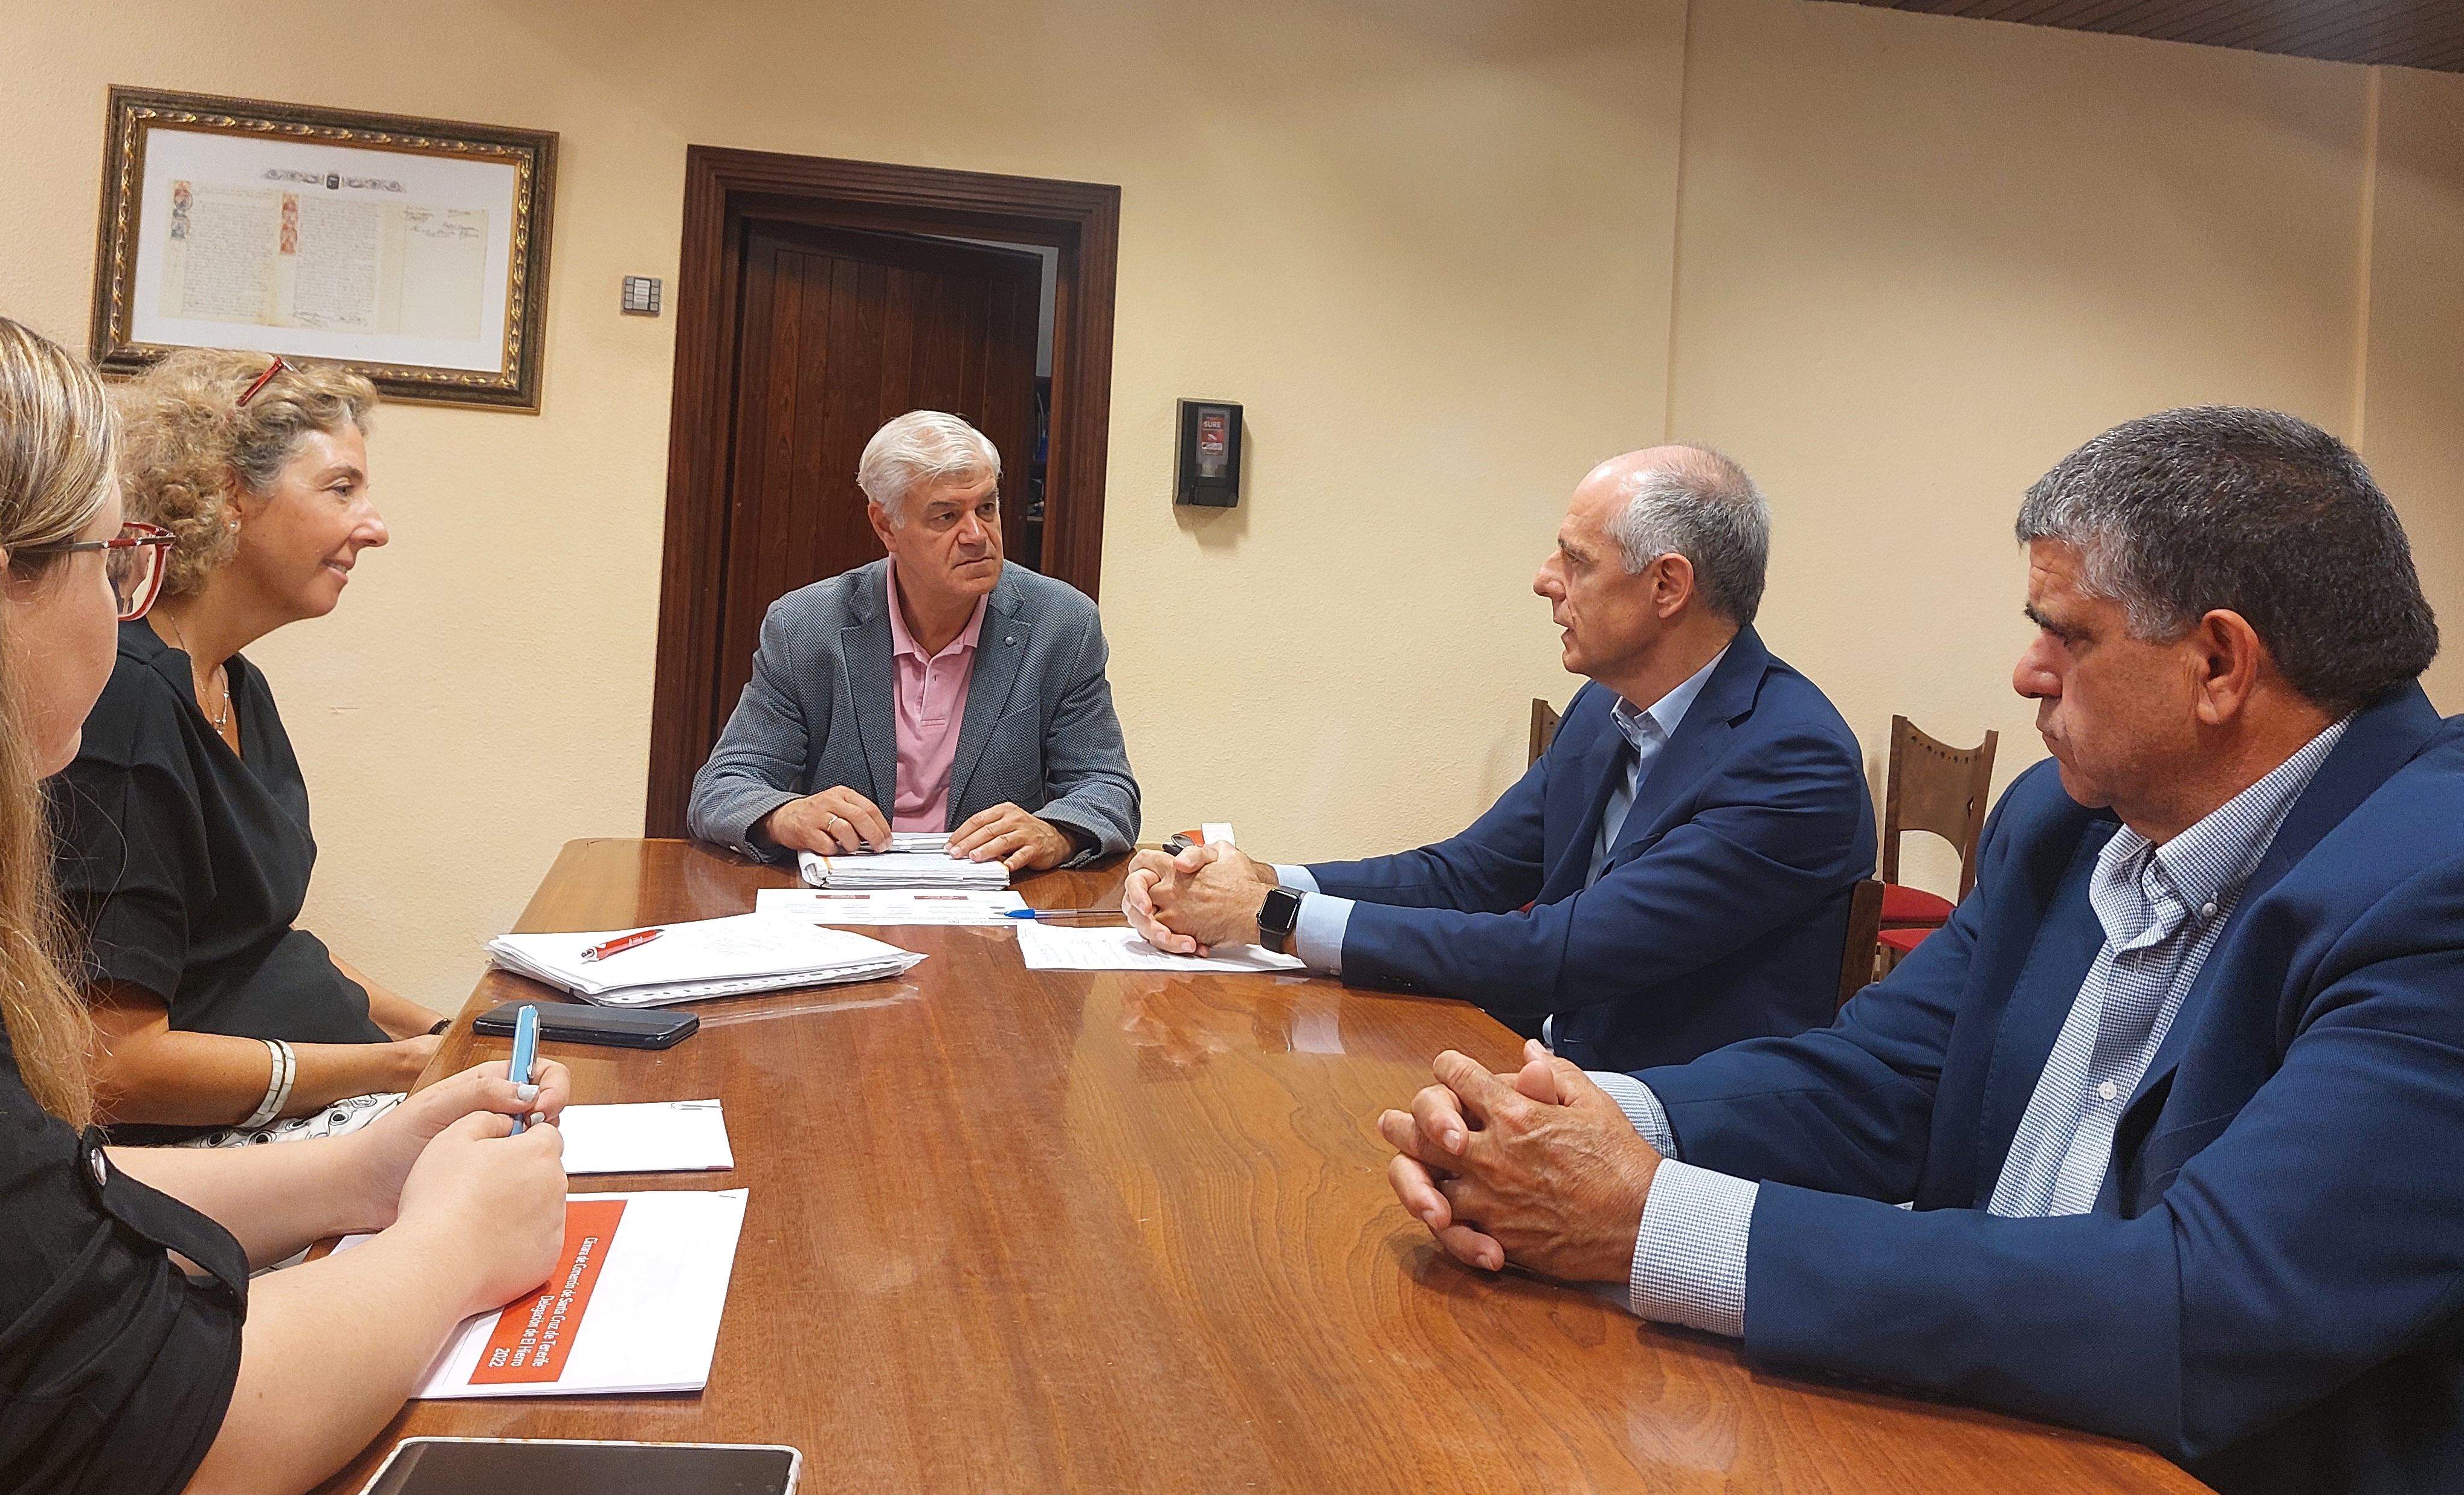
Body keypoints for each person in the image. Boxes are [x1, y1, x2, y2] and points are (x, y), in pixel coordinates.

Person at [1377, 408, 2464, 1495]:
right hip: (1996, 1450)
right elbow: (1875, 1079)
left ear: (2218, 662)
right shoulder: (2064, 823)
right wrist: (1583, 1121)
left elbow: (2211, 1305)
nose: (2025, 674)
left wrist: (1646, 1219)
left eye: (2065, 635)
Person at [0, 269, 571, 1495]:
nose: (127, 611)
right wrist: (451, 1247)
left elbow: (30, 1192)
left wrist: (362, 1171)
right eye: (113, 563)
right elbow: (128, 1456)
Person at [1126, 447, 1873, 1072]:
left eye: (1577, 561)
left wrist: (1269, 916)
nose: (1545, 579)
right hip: (1530, 1066)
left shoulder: (1792, 759)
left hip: (1666, 1127)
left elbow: (1562, 953)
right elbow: (1467, 875)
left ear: (1667, 586)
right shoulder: (1603, 710)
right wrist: (1260, 879)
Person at [49, 349, 436, 1140]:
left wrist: (443, 1031)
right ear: (228, 494)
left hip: (322, 1104)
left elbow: (253, 946)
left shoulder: (234, 683)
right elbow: (110, 1068)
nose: (375, 527)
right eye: (341, 489)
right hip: (205, 1148)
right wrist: (398, 1067)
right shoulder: (128, 704)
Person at [688, 409, 1138, 869]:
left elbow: (1108, 789)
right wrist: (786, 815)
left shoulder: (1061, 625)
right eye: (946, 516)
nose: (977, 536)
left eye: (987, 508)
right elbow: (723, 787)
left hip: (992, 895)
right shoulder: (805, 627)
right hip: (847, 896)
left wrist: (1056, 833)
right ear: (886, 526)